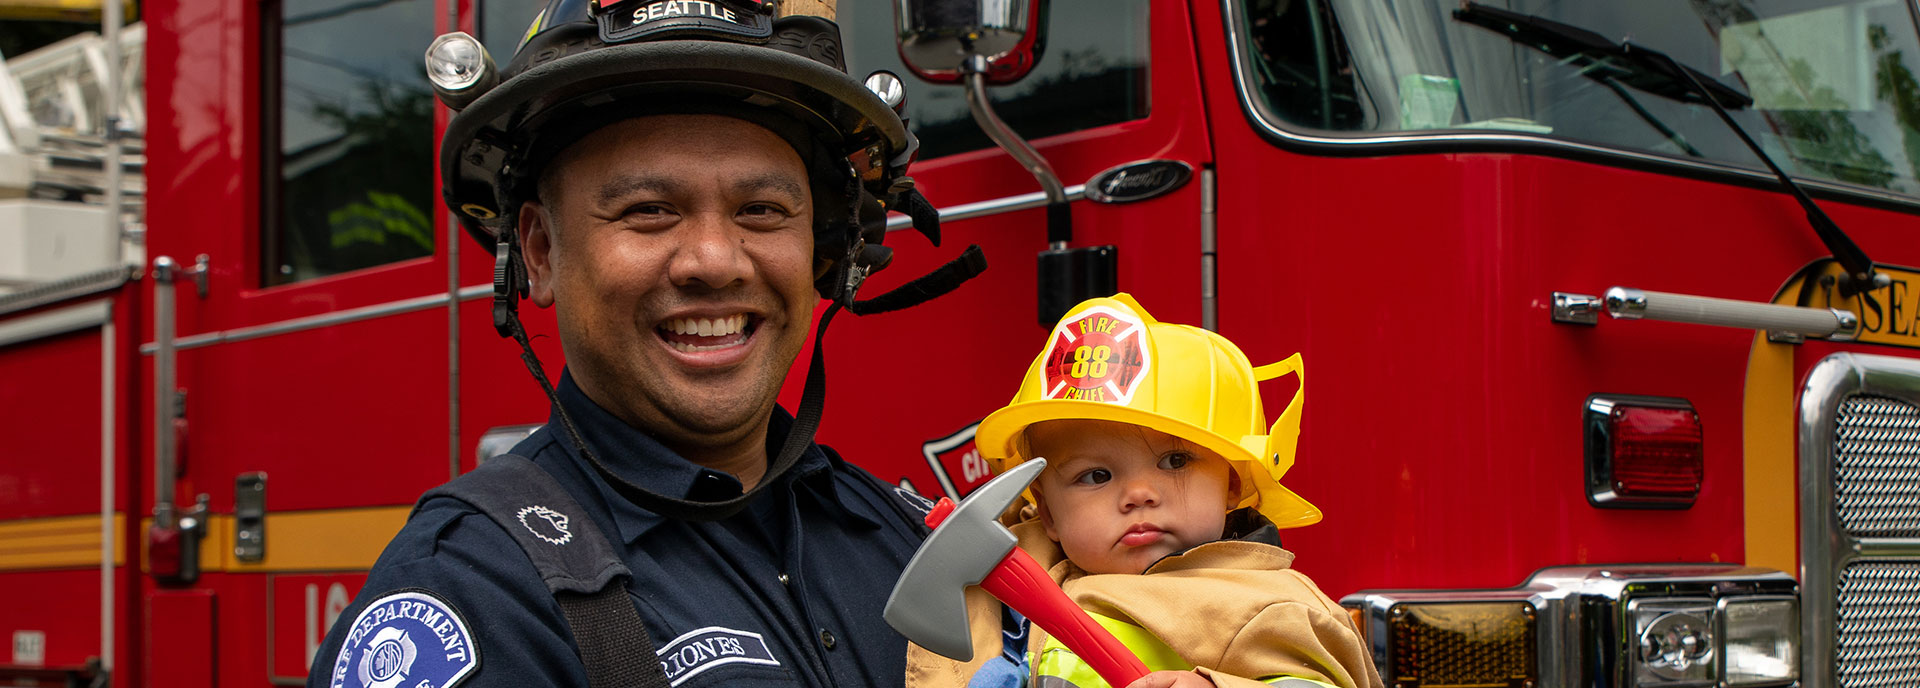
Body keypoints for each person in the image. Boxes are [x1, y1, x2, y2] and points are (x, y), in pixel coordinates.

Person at [309, 1, 983, 686]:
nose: (716, 261)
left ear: (826, 254)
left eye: (762, 210)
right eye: (648, 211)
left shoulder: (901, 536)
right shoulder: (474, 594)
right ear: (540, 253)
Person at [904, 294, 1383, 688]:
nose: (1138, 494)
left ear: (1232, 484)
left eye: (1175, 461)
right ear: (1047, 513)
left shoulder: (1261, 604)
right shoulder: (1014, 595)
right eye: (1095, 476)